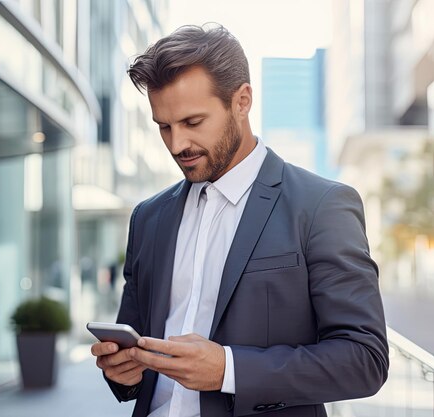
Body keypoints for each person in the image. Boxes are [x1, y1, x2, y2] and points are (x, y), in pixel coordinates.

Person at [90, 24, 389, 417]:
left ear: (242, 101)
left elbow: (364, 359)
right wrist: (121, 371)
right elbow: (133, 354)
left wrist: (229, 370)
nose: (177, 144)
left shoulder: (321, 206)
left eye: (193, 122)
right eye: (164, 126)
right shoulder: (148, 218)